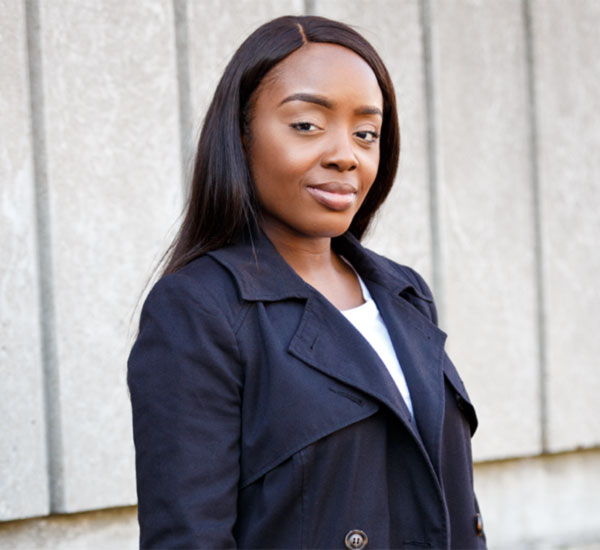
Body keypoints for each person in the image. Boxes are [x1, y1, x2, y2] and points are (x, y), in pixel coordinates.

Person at [127, 14, 486, 550]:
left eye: (367, 133)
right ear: (241, 135)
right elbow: (188, 537)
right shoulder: (199, 309)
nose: (346, 155)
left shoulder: (404, 294)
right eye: (307, 125)